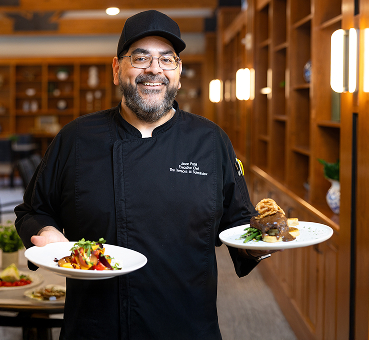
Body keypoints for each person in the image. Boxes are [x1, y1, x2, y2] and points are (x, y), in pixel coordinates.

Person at [15, 10, 274, 340]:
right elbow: (33, 211)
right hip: (97, 327)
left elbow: (239, 226)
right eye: (141, 57)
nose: (155, 69)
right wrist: (47, 232)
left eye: (168, 60)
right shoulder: (76, 138)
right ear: (116, 69)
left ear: (178, 73)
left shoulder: (210, 141)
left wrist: (265, 242)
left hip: (188, 325)